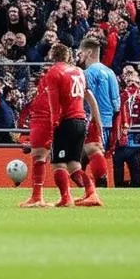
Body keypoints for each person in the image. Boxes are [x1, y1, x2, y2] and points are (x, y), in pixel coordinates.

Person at [44, 44, 103, 208]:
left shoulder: (54, 72)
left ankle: (65, 198)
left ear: (52, 55)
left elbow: (54, 103)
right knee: (74, 165)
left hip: (65, 122)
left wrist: (53, 125)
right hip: (80, 121)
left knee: (58, 164)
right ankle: (91, 193)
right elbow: (86, 95)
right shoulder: (78, 72)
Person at [78, 36, 119, 189]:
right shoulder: (110, 72)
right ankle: (96, 189)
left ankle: (92, 190)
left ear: (88, 52)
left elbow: (86, 99)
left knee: (78, 160)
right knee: (91, 156)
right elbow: (116, 104)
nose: (79, 55)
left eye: (81, 52)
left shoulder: (88, 73)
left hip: (93, 123)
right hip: (108, 124)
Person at [15, 69, 53, 208]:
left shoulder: (49, 94)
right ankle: (37, 196)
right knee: (42, 159)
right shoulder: (40, 97)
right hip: (57, 125)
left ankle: (87, 191)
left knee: (64, 164)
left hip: (54, 125)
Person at [114, 67, 140, 189]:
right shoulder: (120, 98)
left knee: (134, 172)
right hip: (123, 140)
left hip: (134, 139)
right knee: (123, 171)